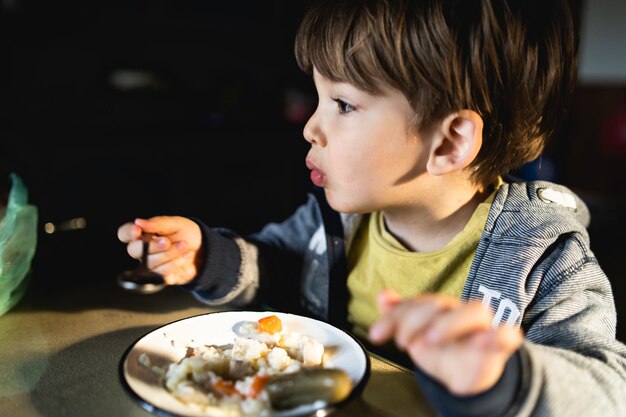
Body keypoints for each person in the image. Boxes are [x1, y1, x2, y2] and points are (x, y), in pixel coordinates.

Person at [117, 0, 626, 415]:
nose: (310, 128)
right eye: (317, 99)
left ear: (449, 143)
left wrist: (506, 375)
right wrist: (207, 258)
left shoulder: (545, 258)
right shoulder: (339, 221)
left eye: (342, 104)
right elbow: (271, 264)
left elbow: (608, 393)